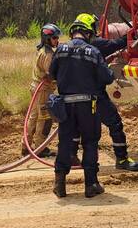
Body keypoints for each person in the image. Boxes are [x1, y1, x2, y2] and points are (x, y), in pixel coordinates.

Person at [49, 15, 114, 198]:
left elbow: (52, 73)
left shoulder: (60, 50)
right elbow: (107, 78)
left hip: (66, 106)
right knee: (90, 142)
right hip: (88, 106)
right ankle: (91, 184)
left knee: (65, 143)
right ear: (88, 32)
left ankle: (60, 185)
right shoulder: (93, 52)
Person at [75, 13, 138, 172]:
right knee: (114, 123)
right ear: (90, 28)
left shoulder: (67, 48)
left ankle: (70, 159)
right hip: (95, 96)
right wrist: (133, 33)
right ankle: (122, 159)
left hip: (74, 97)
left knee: (76, 128)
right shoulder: (96, 45)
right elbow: (116, 44)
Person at [22, 23, 61, 157]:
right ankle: (40, 148)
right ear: (47, 38)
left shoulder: (42, 50)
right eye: (55, 38)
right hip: (44, 90)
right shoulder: (49, 55)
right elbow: (50, 75)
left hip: (35, 87)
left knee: (33, 117)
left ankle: (25, 146)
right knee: (44, 119)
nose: (57, 40)